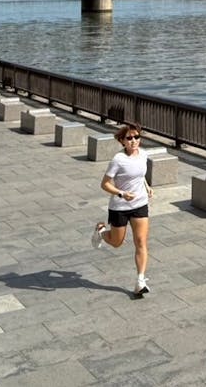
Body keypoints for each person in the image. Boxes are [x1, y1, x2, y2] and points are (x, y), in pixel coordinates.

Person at [90, 122, 154, 296]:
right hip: (120, 207)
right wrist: (121, 193)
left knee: (141, 242)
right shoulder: (118, 160)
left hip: (140, 204)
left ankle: (140, 280)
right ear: (122, 141)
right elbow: (104, 184)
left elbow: (139, 175)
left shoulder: (144, 154)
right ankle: (101, 231)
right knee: (117, 242)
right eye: (129, 138)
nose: (134, 141)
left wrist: (146, 186)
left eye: (136, 137)